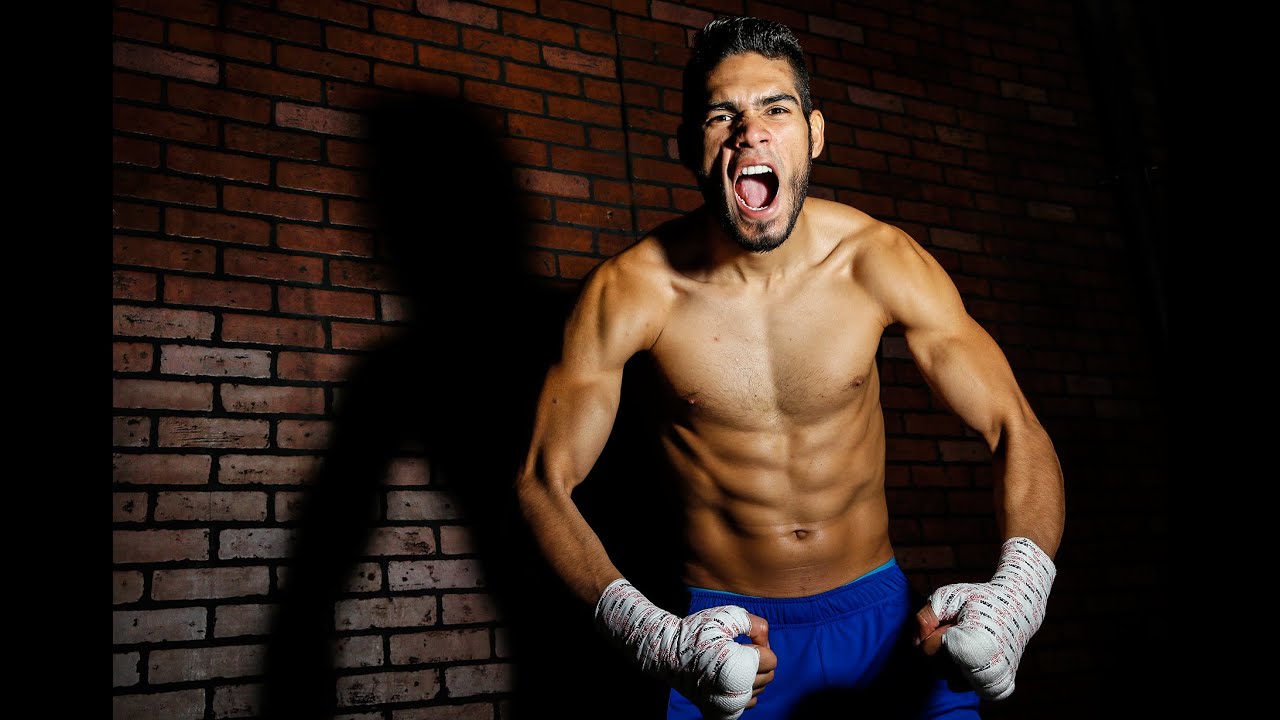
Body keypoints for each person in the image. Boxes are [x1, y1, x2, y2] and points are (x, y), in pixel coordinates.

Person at [515, 16, 1065, 720]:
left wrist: (1020, 594)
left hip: (882, 626)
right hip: (725, 642)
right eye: (722, 116)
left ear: (814, 134)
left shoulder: (877, 260)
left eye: (776, 108)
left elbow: (1013, 426)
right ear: (688, 147)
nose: (751, 133)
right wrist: (651, 636)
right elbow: (542, 481)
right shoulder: (632, 291)